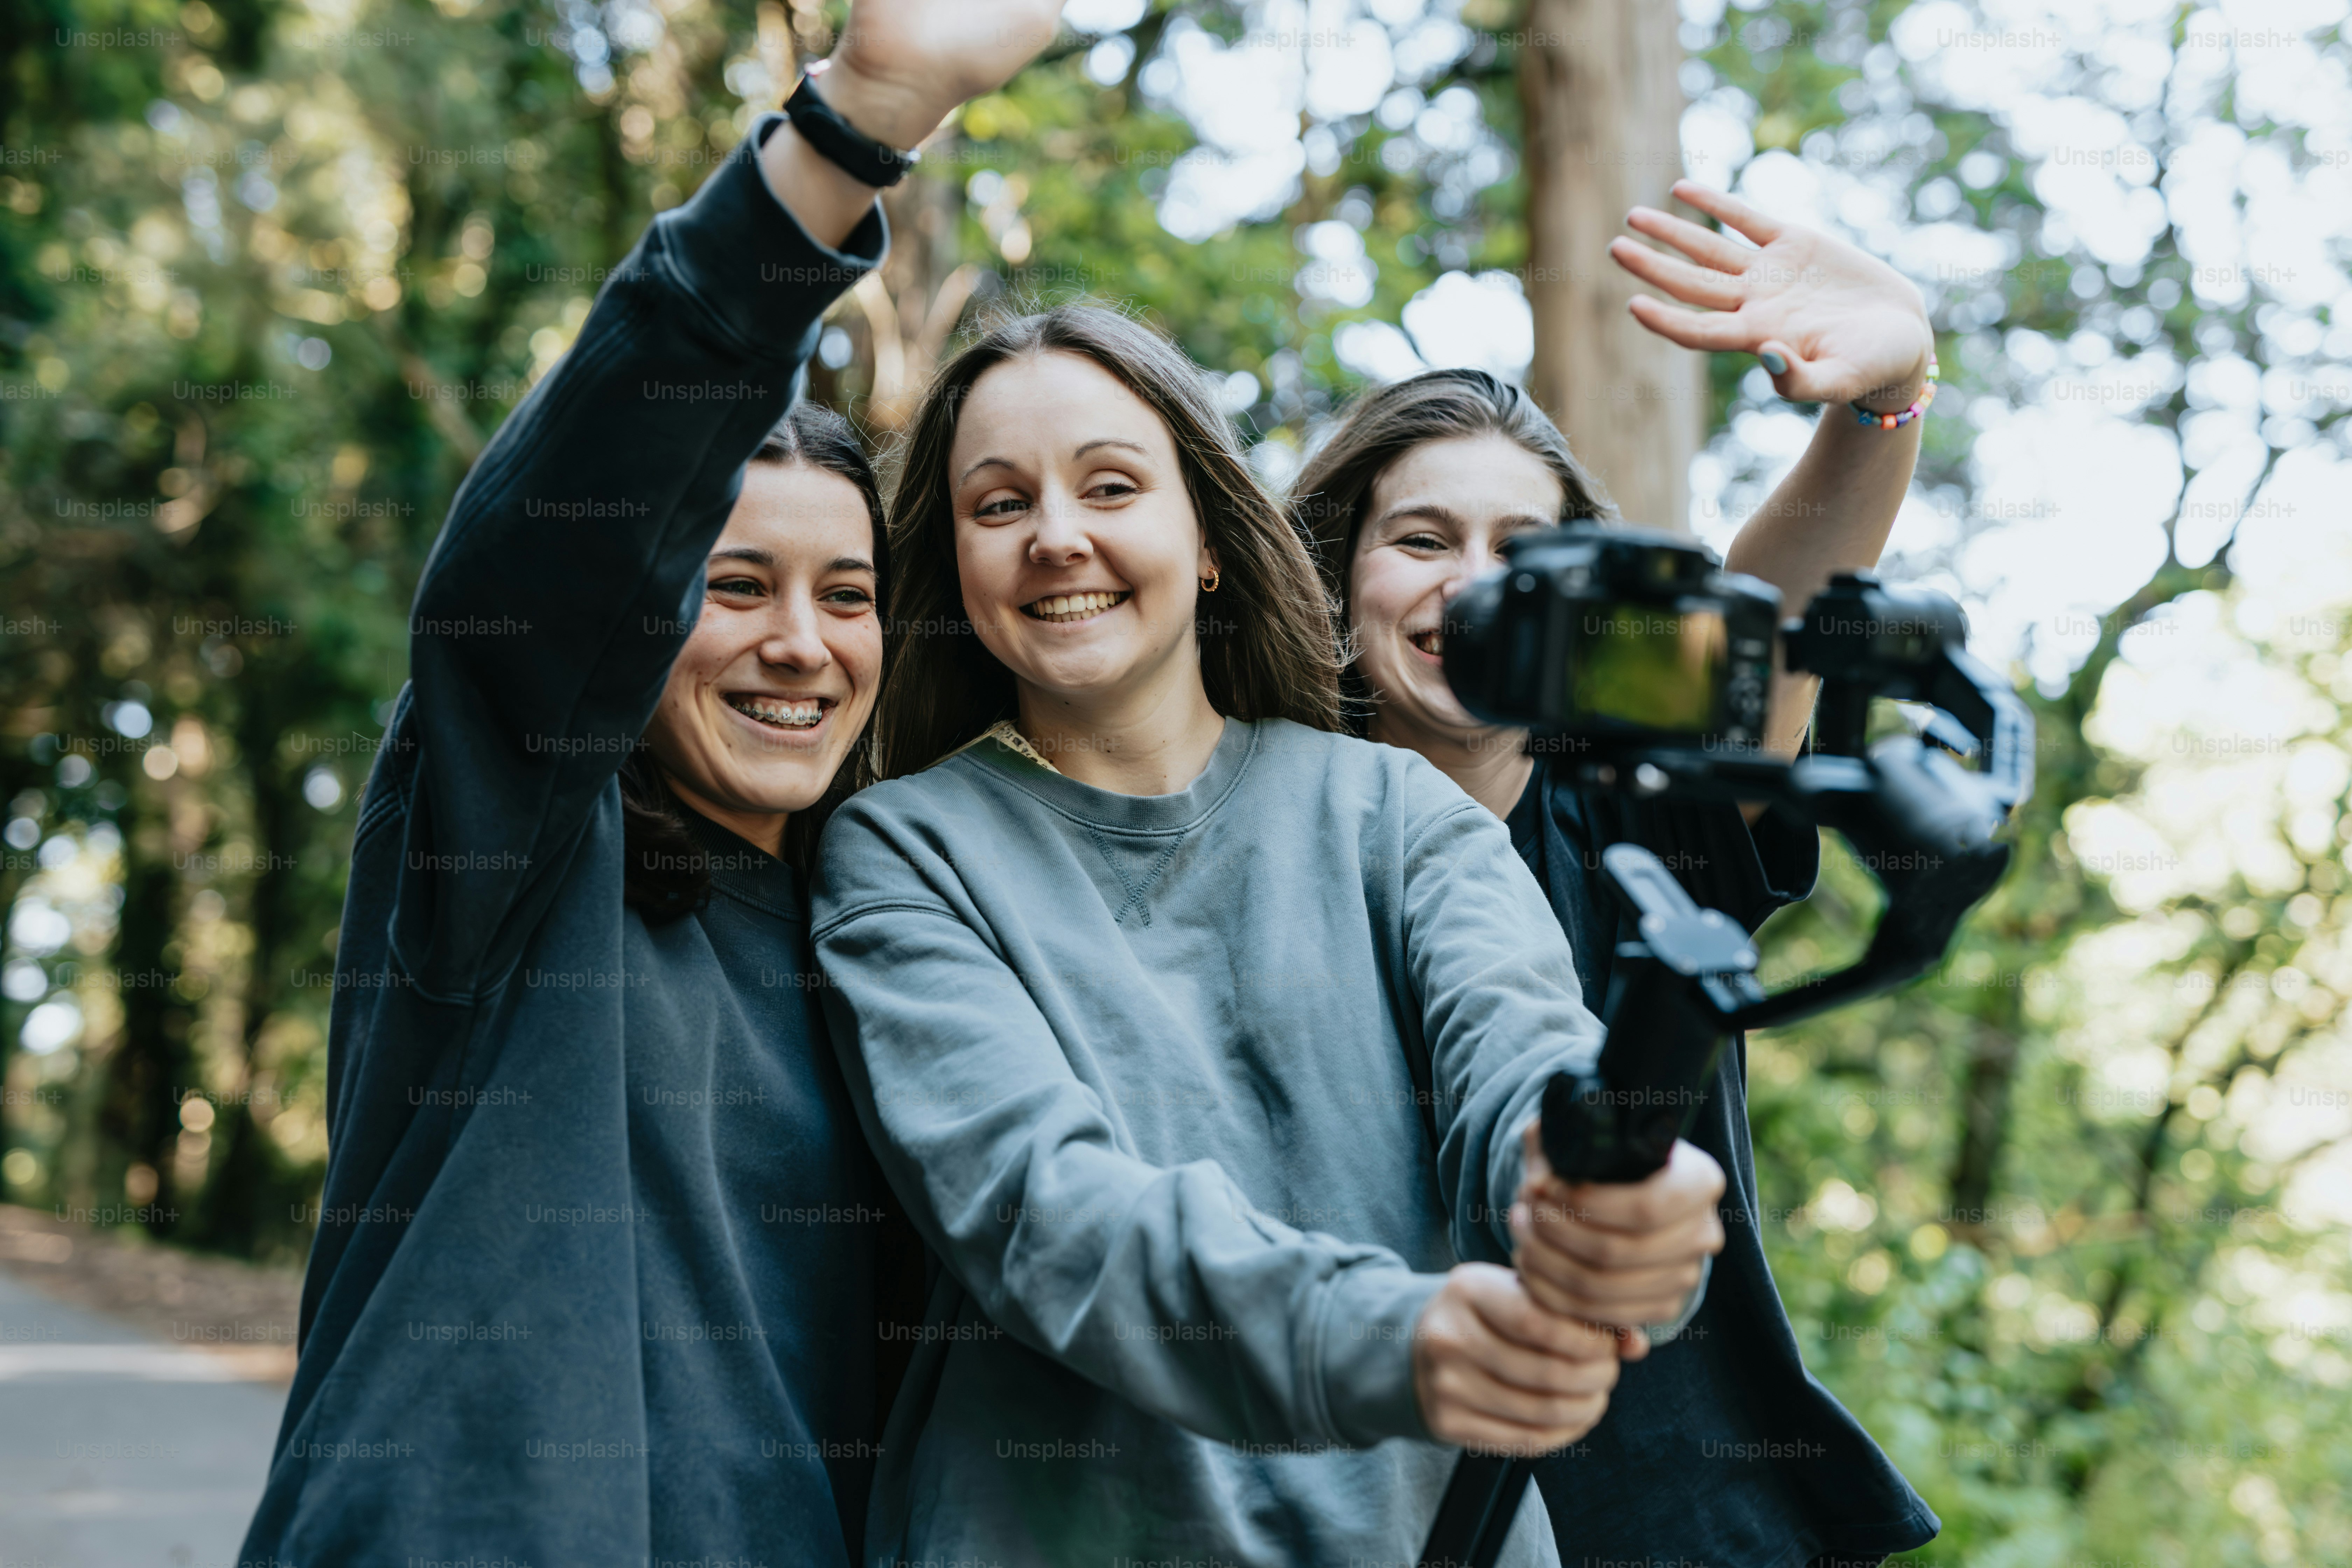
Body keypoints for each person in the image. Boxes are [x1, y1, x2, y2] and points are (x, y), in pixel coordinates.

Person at [236, 5, 1062, 1564]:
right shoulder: (516, 845)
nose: (802, 645)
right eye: (736, 585)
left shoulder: (901, 942)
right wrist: (850, 127)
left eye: (848, 593)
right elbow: (564, 533)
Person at [808, 302, 1731, 1568]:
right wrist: (1394, 1343)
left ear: (1206, 541)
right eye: (999, 504)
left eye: (1112, 485)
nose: (1058, 537)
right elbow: (1040, 1213)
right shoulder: (902, 849)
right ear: (957, 566)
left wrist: (1598, 1192)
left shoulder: (1396, 811)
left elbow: (1522, 1061)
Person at [1289, 179, 1945, 1566]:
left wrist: (1883, 396)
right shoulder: (1256, 836)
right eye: (1423, 541)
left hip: (1682, 1524)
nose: (1474, 588)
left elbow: (1774, 609)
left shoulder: (1649, 803)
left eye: (1527, 557)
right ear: (1338, 595)